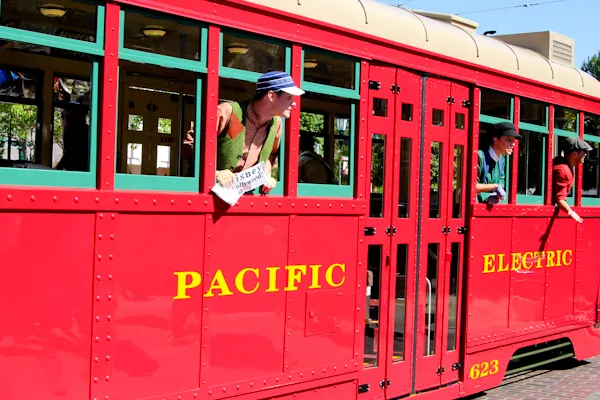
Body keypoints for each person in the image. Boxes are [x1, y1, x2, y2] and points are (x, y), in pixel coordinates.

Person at [215, 71, 304, 193]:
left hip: (246, 196)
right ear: (271, 96)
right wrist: (215, 173)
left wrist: (266, 173)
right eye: (289, 97)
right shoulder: (229, 112)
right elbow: (192, 142)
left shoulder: (276, 123)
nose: (294, 103)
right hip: (213, 195)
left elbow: (271, 154)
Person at [476, 122, 521, 203]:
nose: (513, 144)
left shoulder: (501, 160)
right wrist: (495, 187)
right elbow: (471, 187)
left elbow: (501, 183)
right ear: (496, 140)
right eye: (508, 140)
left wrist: (492, 196)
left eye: (513, 140)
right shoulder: (479, 156)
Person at [552, 137, 592, 223]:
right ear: (574, 153)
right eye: (584, 151)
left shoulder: (563, 164)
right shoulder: (564, 171)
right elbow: (559, 198)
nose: (585, 154)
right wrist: (570, 212)